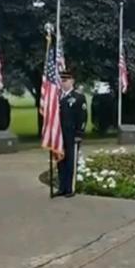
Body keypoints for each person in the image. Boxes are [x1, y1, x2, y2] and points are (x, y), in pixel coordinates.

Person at [56, 70, 87, 198]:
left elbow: (83, 117)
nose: (63, 83)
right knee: (60, 160)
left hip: (72, 135)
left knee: (70, 161)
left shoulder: (78, 97)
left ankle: (70, 188)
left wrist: (79, 133)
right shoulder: (57, 97)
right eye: (62, 80)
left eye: (66, 80)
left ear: (72, 81)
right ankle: (62, 187)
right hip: (59, 135)